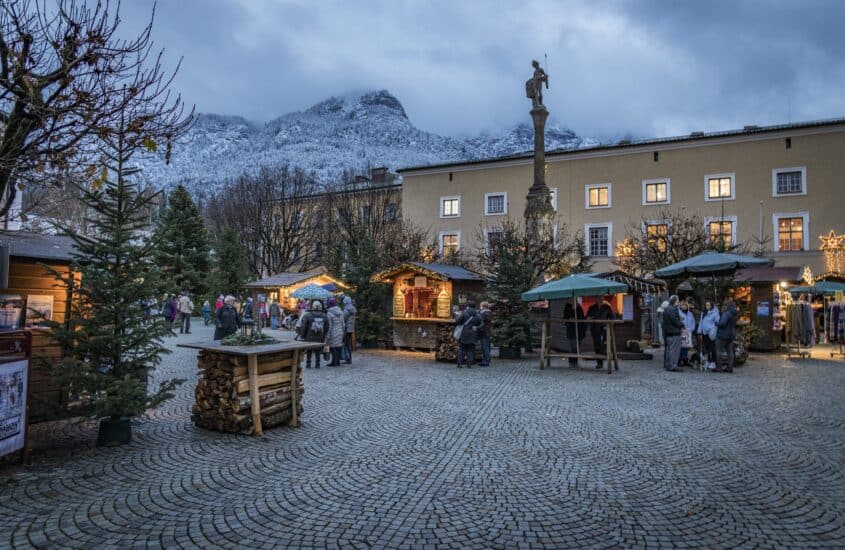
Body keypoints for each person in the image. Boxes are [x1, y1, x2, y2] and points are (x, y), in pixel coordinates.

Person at [587, 297, 615, 369]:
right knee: (597, 346)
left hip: (604, 330)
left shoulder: (607, 307)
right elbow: (587, 317)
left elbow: (612, 318)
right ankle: (599, 363)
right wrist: (589, 318)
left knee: (604, 345)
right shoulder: (592, 308)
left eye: (601, 298)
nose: (600, 299)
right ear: (596, 299)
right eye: (598, 298)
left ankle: (607, 360)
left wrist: (608, 324)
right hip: (595, 330)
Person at [299, 301, 328, 368]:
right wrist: (324, 334)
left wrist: (303, 335)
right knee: (318, 350)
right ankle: (317, 364)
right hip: (320, 335)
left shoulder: (308, 315)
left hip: (309, 336)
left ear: (313, 306)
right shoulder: (324, 315)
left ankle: (308, 364)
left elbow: (304, 326)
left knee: (309, 350)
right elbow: (327, 326)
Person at [455, 301, 482, 368]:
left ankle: (459, 364)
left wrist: (457, 315)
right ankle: (469, 364)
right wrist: (477, 327)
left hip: (464, 332)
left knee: (462, 348)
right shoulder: (477, 314)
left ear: (468, 306)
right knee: (470, 349)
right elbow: (482, 323)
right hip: (473, 333)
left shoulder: (465, 312)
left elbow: (457, 321)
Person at [662, 295, 685, 372]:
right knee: (674, 350)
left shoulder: (666, 309)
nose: (678, 302)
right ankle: (673, 366)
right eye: (678, 301)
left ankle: (668, 365)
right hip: (674, 332)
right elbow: (675, 321)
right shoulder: (673, 309)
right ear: (675, 301)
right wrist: (682, 324)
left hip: (668, 333)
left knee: (669, 350)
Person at [715, 297, 738, 373]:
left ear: (727, 305)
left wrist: (716, 323)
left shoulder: (727, 313)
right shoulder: (734, 312)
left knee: (719, 351)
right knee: (729, 351)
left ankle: (719, 368)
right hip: (731, 335)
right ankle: (730, 367)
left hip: (722, 335)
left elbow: (722, 324)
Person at [697, 300, 720, 370]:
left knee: (712, 348)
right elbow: (701, 322)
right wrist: (699, 331)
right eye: (706, 305)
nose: (707, 306)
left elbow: (717, 322)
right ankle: (708, 361)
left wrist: (713, 327)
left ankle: (713, 362)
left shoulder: (715, 313)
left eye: (709, 305)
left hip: (711, 333)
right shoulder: (703, 313)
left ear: (712, 305)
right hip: (704, 333)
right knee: (706, 348)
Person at [564, 301, 586, 366]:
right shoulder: (568, 307)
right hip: (571, 330)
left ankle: (575, 361)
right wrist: (572, 311)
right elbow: (565, 317)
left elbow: (581, 317)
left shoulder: (579, 307)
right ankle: (571, 361)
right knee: (574, 346)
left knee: (577, 346)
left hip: (580, 330)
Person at [325, 297, 345, 366]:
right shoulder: (340, 312)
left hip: (333, 331)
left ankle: (334, 362)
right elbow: (343, 323)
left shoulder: (329, 313)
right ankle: (338, 361)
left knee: (332, 347)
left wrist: (328, 334)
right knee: (339, 346)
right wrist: (343, 331)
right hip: (340, 330)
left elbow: (330, 325)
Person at [678, 300, 696, 366]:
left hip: (689, 332)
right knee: (681, 346)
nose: (684, 306)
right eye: (683, 305)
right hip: (681, 332)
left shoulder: (690, 313)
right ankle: (680, 359)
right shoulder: (678, 312)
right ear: (680, 305)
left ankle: (685, 359)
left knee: (686, 346)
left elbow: (693, 321)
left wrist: (692, 329)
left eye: (685, 305)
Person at [341, 296, 357, 364]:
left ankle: (348, 358)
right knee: (349, 343)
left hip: (347, 328)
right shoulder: (352, 308)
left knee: (347, 343)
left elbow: (343, 318)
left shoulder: (347, 310)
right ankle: (349, 358)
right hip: (351, 328)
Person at [478, 301, 493, 367]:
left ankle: (486, 361)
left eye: (480, 305)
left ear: (483, 306)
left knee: (485, 347)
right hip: (486, 332)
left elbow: (480, 320)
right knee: (486, 346)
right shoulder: (488, 312)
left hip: (484, 332)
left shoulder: (485, 313)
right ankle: (485, 360)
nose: (480, 307)